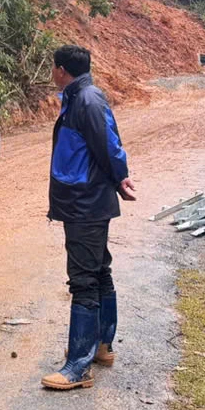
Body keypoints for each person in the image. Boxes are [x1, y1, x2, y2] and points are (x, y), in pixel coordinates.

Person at [42, 45, 136, 391]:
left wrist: (120, 177)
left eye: (53, 68)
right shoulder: (79, 96)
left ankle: (77, 367)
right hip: (87, 201)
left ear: (62, 70)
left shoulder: (87, 100)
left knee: (83, 279)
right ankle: (101, 345)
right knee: (98, 270)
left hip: (86, 204)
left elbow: (108, 144)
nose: (52, 73)